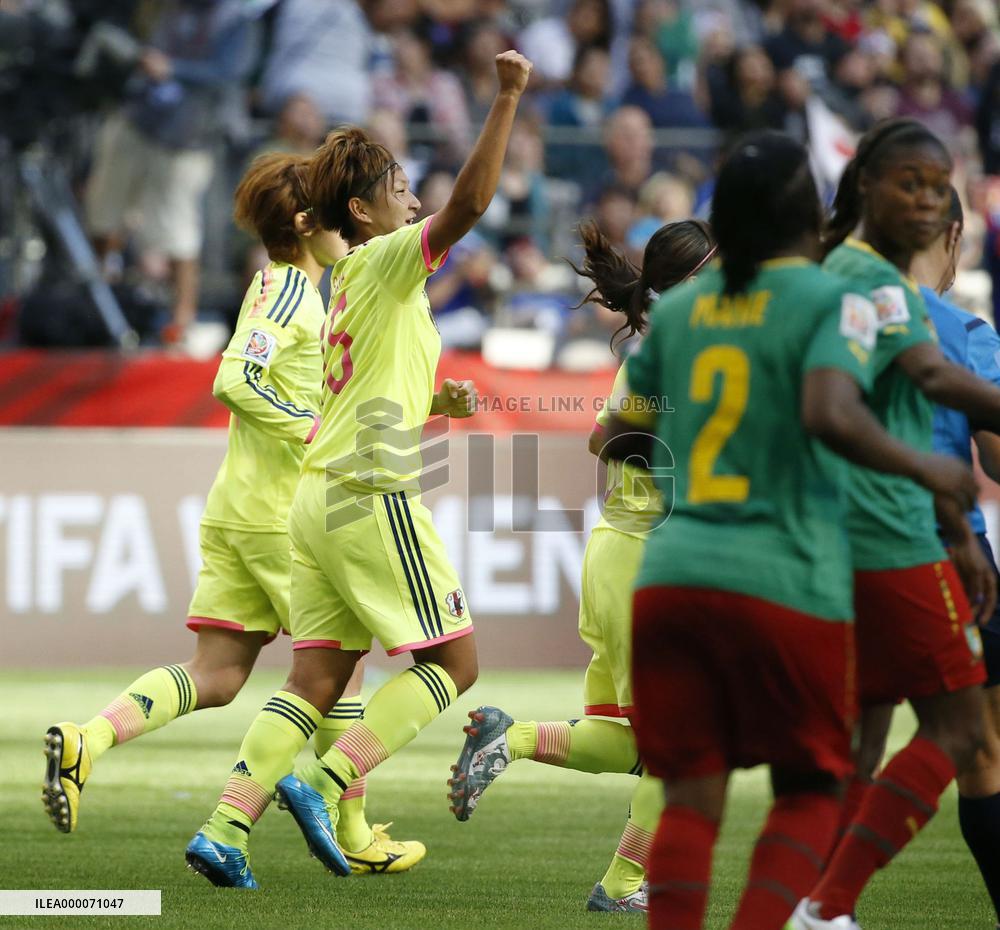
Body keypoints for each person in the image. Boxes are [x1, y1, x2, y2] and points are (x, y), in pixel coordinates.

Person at [600, 129, 978, 930]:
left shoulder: (680, 313)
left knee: (691, 800)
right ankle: (805, 915)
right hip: (782, 571)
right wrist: (930, 474)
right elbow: (833, 412)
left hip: (670, 572)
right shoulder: (829, 298)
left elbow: (618, 434)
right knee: (814, 786)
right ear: (808, 213)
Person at [185, 49, 534, 890]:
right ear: (363, 209)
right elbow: (475, 203)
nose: (413, 198)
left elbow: (360, 387)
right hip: (372, 492)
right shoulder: (384, 260)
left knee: (314, 679)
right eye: (399, 187)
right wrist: (508, 96)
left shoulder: (343, 280)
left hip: (316, 496)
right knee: (455, 666)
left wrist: (429, 404)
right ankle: (326, 779)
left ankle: (226, 826)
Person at [44, 152, 423, 877]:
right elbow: (235, 378)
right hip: (278, 515)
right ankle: (353, 828)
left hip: (239, 507)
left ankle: (88, 739)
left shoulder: (306, 293)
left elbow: (307, 387)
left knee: (216, 675)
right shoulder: (286, 291)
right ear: (308, 224)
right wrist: (310, 429)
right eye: (329, 216)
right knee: (339, 671)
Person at [446, 217, 716, 914]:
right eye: (712, 273)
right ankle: (624, 885)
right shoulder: (671, 356)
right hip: (647, 559)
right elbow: (605, 439)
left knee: (625, 736)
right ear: (682, 285)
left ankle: (514, 738)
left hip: (625, 552)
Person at [791, 118, 1000, 930]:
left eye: (935, 185)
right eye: (908, 181)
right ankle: (826, 906)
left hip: (882, 532)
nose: (922, 196)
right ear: (865, 184)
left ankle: (813, 906)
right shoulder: (863, 281)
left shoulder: (861, 278)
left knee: (860, 749)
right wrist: (939, 500)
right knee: (958, 730)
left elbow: (914, 390)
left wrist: (954, 526)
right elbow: (901, 389)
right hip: (882, 534)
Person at [914, 190, 1000, 930]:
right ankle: (828, 901)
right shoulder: (965, 331)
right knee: (979, 749)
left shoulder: (830, 317)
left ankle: (817, 902)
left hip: (834, 557)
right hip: (947, 557)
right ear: (952, 237)